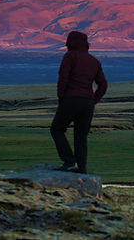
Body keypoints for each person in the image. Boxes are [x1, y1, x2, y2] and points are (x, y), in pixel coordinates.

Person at [50, 30, 107, 174]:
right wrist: (93, 100)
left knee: (57, 129)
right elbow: (103, 85)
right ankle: (82, 169)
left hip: (70, 99)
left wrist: (61, 97)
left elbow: (63, 78)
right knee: (81, 137)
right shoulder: (94, 61)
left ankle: (69, 161)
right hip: (87, 103)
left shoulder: (70, 57)